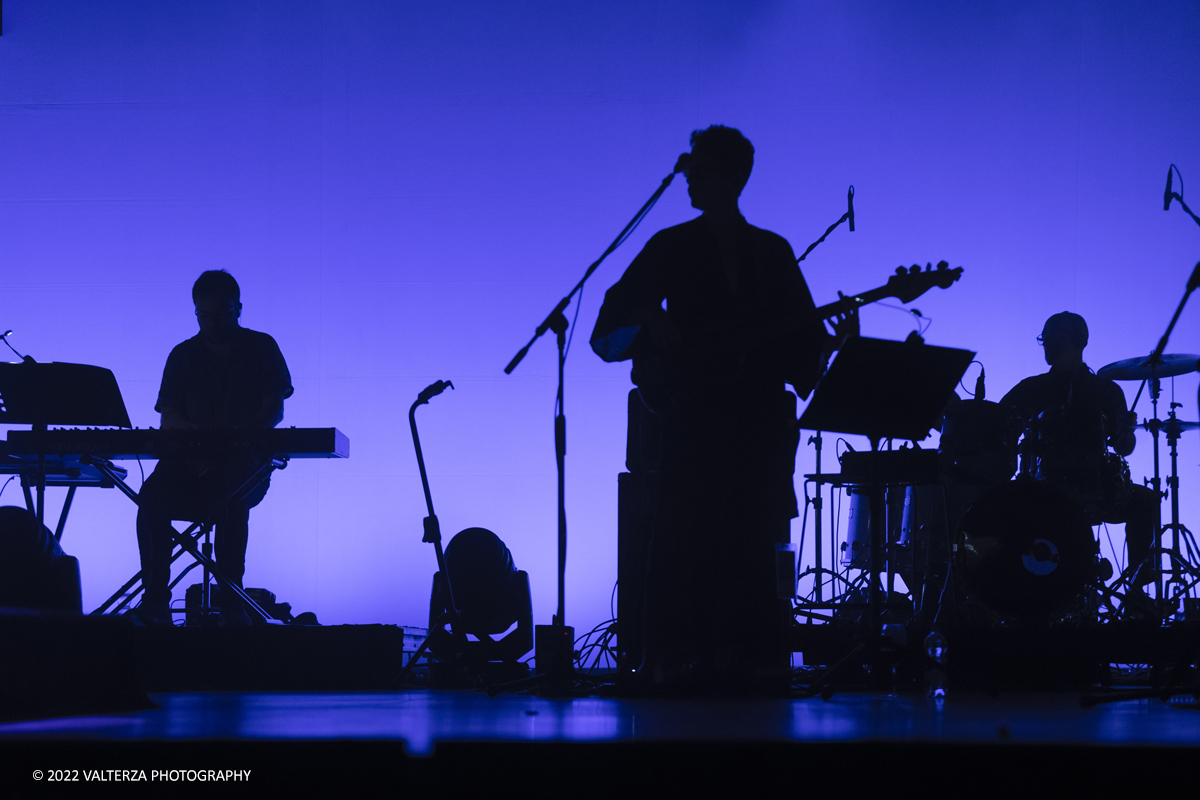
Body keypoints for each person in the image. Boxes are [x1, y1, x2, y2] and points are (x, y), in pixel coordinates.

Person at [591, 126, 852, 691]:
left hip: (757, 423)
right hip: (694, 417)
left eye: (699, 168)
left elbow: (802, 348)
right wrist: (650, 318)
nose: (688, 177)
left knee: (753, 540)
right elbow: (610, 323)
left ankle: (750, 661)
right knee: (681, 535)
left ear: (730, 177)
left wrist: (832, 344)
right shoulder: (671, 244)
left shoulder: (773, 251)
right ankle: (664, 657)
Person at [132, 270, 293, 626]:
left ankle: (231, 607)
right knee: (152, 496)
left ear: (238, 308)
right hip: (187, 464)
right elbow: (168, 416)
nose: (213, 323)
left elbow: (274, 408)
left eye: (221, 314)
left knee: (230, 498)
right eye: (204, 316)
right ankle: (156, 602)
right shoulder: (182, 355)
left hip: (244, 464)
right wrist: (197, 434)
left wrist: (240, 436)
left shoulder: (262, 348)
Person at [1000, 312, 1158, 586]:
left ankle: (1136, 592)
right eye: (1045, 340)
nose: (1047, 345)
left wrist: (1125, 433)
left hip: (1098, 490)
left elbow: (1125, 448)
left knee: (1146, 502)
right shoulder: (1031, 389)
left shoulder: (1106, 392)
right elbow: (999, 429)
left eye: (1050, 339)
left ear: (1075, 341)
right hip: (1043, 492)